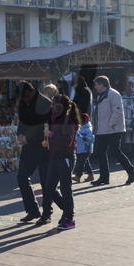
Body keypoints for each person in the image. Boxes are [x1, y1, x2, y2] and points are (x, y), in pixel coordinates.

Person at [36, 96, 81, 230]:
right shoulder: (58, 120)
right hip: (55, 157)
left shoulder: (67, 121)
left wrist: (50, 134)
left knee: (65, 188)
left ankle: (69, 218)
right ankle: (66, 210)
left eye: (54, 104)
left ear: (59, 106)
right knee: (49, 186)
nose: (51, 107)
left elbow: (66, 140)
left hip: (65, 157)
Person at [15, 81, 52, 222]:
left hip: (42, 148)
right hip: (28, 148)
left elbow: (45, 127)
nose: (25, 100)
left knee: (46, 181)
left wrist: (29, 139)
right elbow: (22, 122)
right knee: (22, 177)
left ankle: (47, 213)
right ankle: (32, 210)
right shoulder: (23, 103)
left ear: (33, 91)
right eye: (23, 98)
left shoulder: (45, 103)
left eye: (27, 97)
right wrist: (20, 135)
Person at [92, 76, 134, 186]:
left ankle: (131, 171)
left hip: (113, 130)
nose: (95, 87)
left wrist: (109, 124)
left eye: (96, 84)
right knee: (101, 153)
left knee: (115, 151)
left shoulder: (113, 94)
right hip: (102, 130)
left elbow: (118, 112)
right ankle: (104, 177)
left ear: (102, 85)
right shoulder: (100, 96)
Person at [73, 113, 95, 183]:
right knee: (85, 163)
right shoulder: (79, 128)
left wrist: (85, 138)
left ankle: (78, 176)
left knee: (81, 163)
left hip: (86, 149)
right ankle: (90, 175)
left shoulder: (89, 129)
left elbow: (91, 139)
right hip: (80, 149)